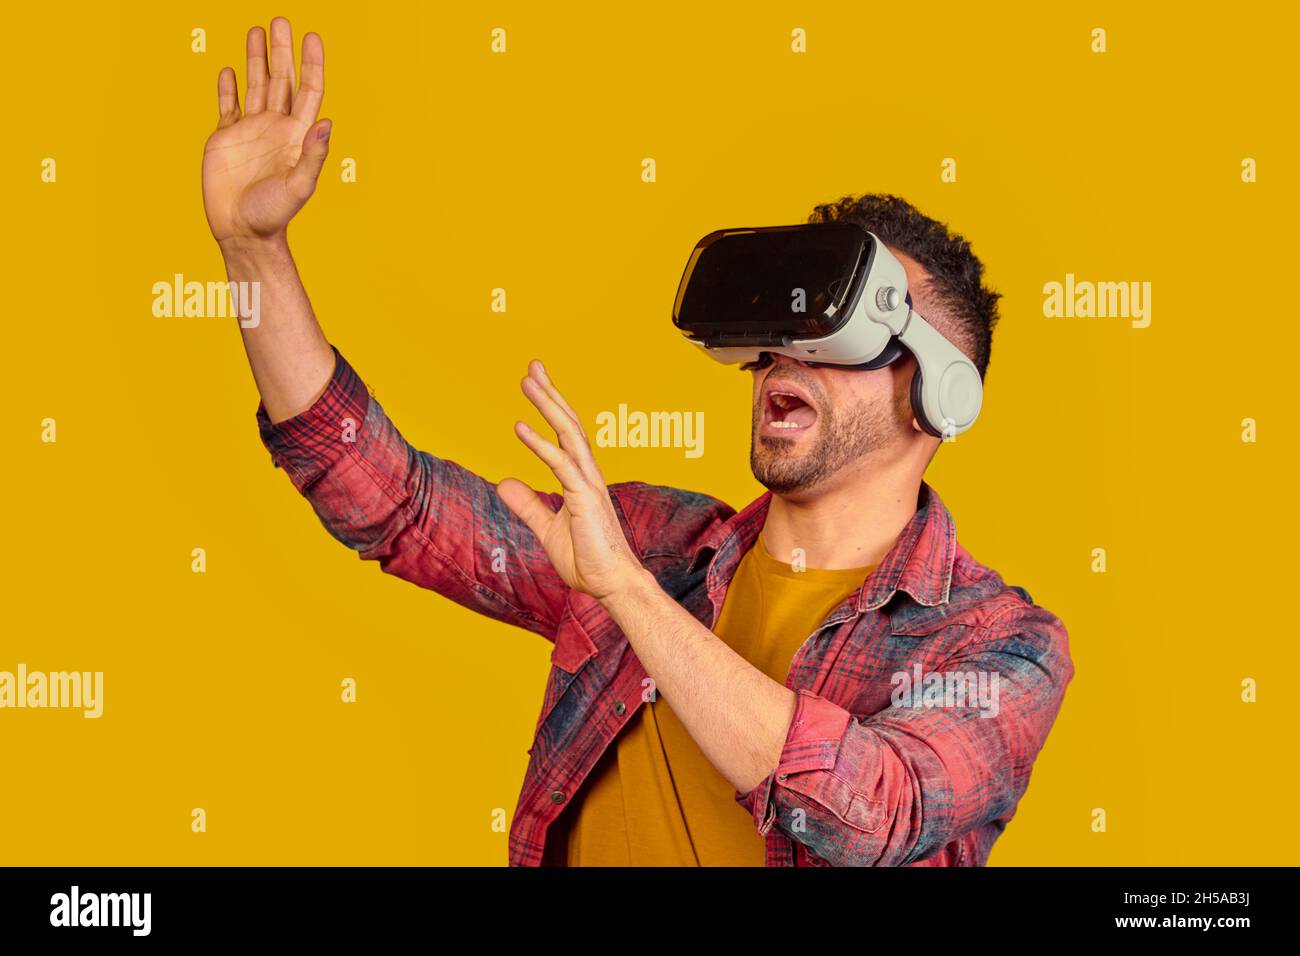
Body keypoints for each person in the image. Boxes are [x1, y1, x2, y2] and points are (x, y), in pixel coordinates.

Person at [202, 17, 1074, 867]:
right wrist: (254, 252)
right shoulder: (656, 543)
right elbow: (389, 500)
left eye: (839, 332)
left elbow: (871, 812)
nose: (785, 356)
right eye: (784, 329)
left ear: (938, 395)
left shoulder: (998, 645)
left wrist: (625, 591)